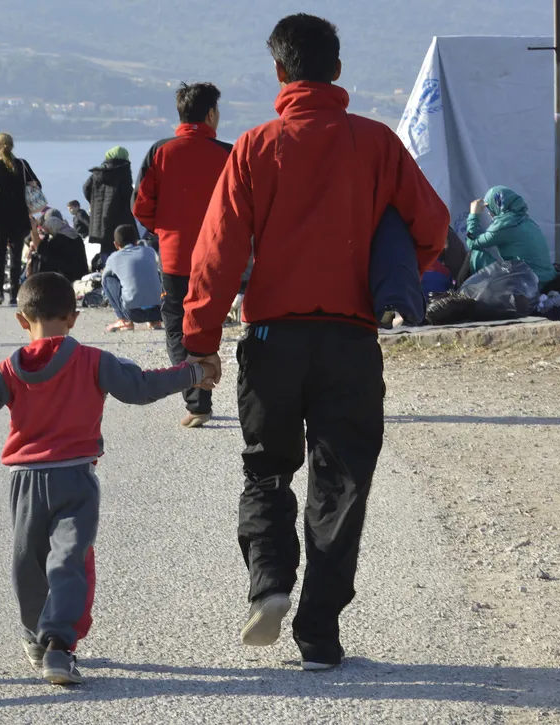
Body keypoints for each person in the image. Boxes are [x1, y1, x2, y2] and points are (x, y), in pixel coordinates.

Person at [181, 14, 449, 670]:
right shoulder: (378, 144)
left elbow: (217, 252)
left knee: (266, 468)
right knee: (342, 481)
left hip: (272, 337)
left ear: (280, 72)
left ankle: (270, 581)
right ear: (337, 69)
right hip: (351, 340)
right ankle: (319, 631)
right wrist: (392, 271)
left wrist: (201, 339)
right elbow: (435, 226)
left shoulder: (255, 146)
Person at [0, 272, 216, 686]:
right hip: (76, 479)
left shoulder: (9, 370)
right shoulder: (95, 361)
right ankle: (59, 646)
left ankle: (37, 638)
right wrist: (191, 373)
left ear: (23, 321)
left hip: (25, 484)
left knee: (28, 563)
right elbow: (141, 387)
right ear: (74, 318)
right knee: (69, 560)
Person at [133, 81, 231, 428]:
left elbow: (141, 206)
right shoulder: (227, 153)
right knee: (211, 323)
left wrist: (166, 229)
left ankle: (197, 401)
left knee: (177, 329)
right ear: (210, 114)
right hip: (219, 257)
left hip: (175, 259)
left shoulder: (161, 151)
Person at [0, 133, 40, 306]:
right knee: (16, 256)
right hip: (20, 215)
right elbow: (37, 183)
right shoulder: (22, 165)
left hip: (0, 216)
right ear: (12, 145)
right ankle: (14, 295)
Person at [459, 186, 556, 287]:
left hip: (530, 282)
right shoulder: (526, 220)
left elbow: (472, 243)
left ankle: (458, 290)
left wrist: (474, 215)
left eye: (489, 207)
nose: (488, 212)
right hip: (548, 277)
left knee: (475, 255)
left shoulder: (505, 225)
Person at [102, 224, 163, 332]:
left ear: (116, 245)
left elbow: (104, 279)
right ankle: (155, 321)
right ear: (136, 241)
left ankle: (124, 320)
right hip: (158, 311)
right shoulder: (149, 251)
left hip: (133, 313)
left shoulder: (114, 257)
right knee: (154, 273)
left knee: (108, 279)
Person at [83, 147, 136, 266]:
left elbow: (86, 188)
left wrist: (95, 204)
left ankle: (107, 271)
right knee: (123, 247)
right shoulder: (123, 171)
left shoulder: (97, 173)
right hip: (120, 218)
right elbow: (128, 195)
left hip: (101, 219)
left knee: (105, 246)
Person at [32, 210, 89, 282]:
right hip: (82, 275)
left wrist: (38, 231)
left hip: (69, 279)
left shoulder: (59, 239)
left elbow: (40, 249)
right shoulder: (74, 234)